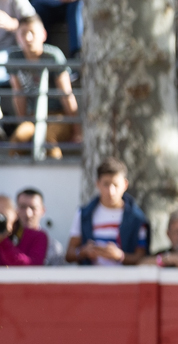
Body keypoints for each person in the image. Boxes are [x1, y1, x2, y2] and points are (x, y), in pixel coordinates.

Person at [7, 14, 79, 159]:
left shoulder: (53, 56)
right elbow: (18, 94)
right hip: (32, 117)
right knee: (17, 140)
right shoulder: (14, 58)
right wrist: (23, 123)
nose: (28, 38)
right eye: (23, 33)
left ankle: (56, 176)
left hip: (58, 116)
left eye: (32, 32)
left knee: (48, 139)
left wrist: (78, 130)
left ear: (43, 34)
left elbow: (66, 94)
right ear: (17, 37)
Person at [66, 157, 149, 266]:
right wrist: (83, 251)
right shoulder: (84, 214)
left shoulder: (137, 218)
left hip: (124, 281)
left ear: (125, 185)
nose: (111, 191)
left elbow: (143, 258)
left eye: (115, 184)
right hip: (92, 280)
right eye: (106, 184)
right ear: (98, 184)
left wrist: (120, 256)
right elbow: (69, 255)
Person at [15, 187, 64, 264]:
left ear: (43, 211)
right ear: (16, 210)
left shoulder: (54, 247)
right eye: (23, 207)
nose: (28, 214)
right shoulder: (7, 240)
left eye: (33, 208)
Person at [0, 193, 49, 265]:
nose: (27, 213)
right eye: (23, 207)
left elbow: (33, 266)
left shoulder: (38, 236)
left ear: (13, 214)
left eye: (2, 215)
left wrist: (3, 239)